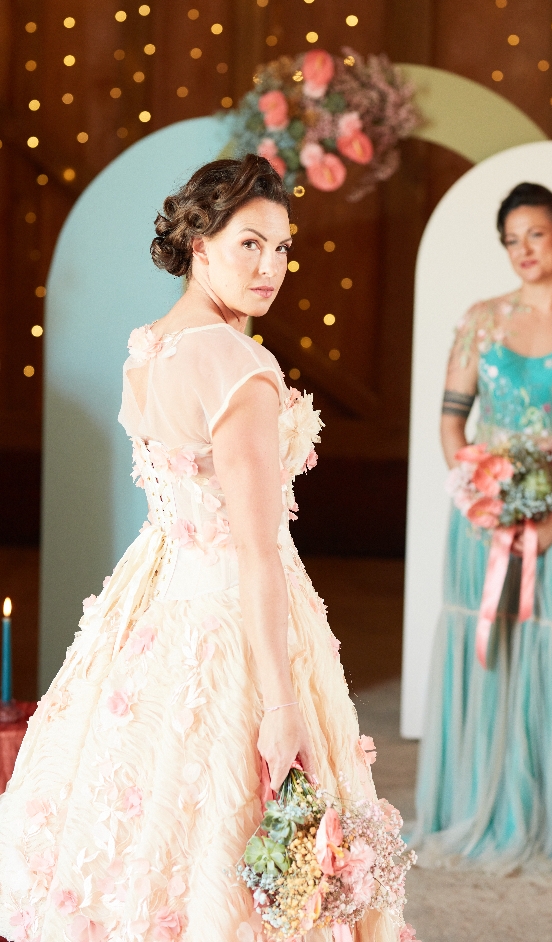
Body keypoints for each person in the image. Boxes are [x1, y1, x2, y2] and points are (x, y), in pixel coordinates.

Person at [0, 156, 403, 941]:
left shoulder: (149, 347)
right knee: (233, 827)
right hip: (228, 614)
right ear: (199, 243)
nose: (271, 267)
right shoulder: (240, 365)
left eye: (283, 249)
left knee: (146, 820)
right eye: (250, 244)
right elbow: (256, 550)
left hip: (156, 602)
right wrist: (282, 706)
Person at [412, 182, 552, 877]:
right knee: (491, 649)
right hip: (486, 523)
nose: (523, 250)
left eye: (535, 234)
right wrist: (479, 496)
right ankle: (479, 805)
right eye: (511, 239)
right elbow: (452, 420)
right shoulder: (482, 320)